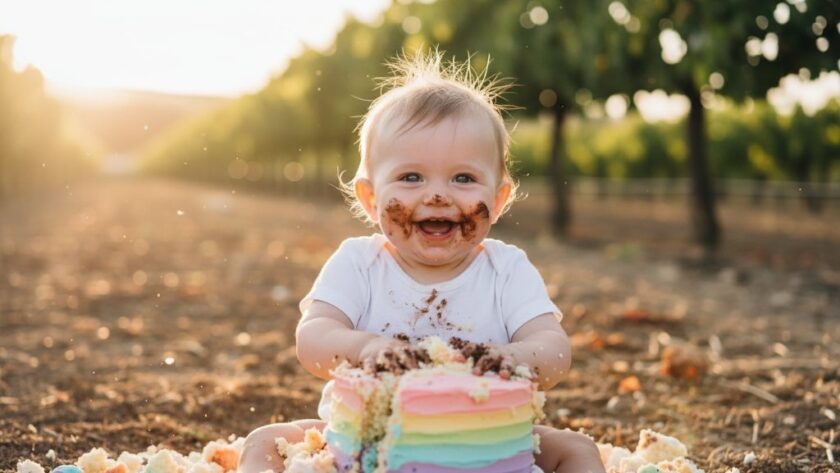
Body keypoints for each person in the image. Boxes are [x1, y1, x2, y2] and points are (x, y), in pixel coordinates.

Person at [238, 52, 605, 473]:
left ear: (498, 200)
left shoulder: (507, 271)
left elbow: (555, 349)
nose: (437, 195)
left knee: (574, 448)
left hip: (486, 446)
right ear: (371, 198)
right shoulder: (359, 263)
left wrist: (515, 357)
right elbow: (313, 339)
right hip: (365, 444)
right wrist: (365, 347)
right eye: (411, 177)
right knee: (267, 440)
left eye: (463, 178)